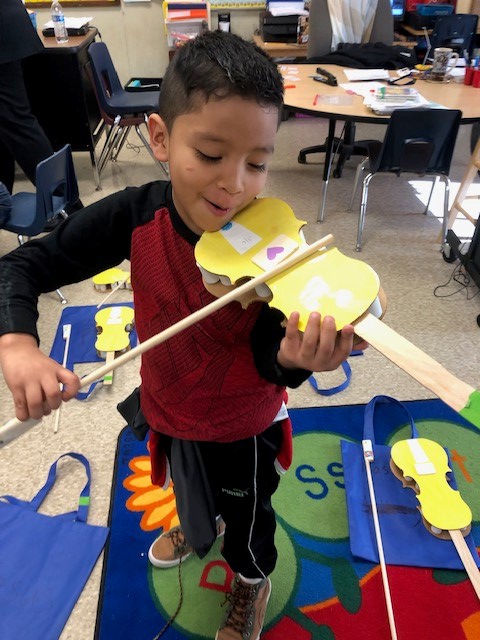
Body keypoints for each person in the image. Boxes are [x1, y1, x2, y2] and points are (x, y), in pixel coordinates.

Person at [0, 31, 366, 639]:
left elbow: (268, 359)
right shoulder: (136, 214)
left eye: (257, 161)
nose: (236, 185)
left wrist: (297, 360)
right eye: (212, 153)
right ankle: (204, 524)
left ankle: (252, 580)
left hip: (241, 427)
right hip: (168, 404)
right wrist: (17, 342)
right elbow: (21, 266)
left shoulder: (273, 250)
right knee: (191, 487)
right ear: (162, 138)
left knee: (250, 520)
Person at [0, 0, 82, 225]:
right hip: (11, 25)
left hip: (5, 35)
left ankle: (71, 211)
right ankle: (3, 205)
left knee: (16, 123)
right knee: (7, 125)